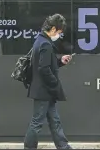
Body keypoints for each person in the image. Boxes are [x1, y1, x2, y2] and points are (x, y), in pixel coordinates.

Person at [24, 14, 73, 149]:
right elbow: (44, 69)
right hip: (44, 90)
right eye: (59, 32)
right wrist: (55, 83)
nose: (59, 35)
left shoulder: (40, 40)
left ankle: (63, 146)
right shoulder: (46, 44)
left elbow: (45, 64)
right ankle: (29, 147)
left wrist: (60, 61)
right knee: (37, 122)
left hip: (44, 91)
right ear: (52, 29)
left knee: (54, 121)